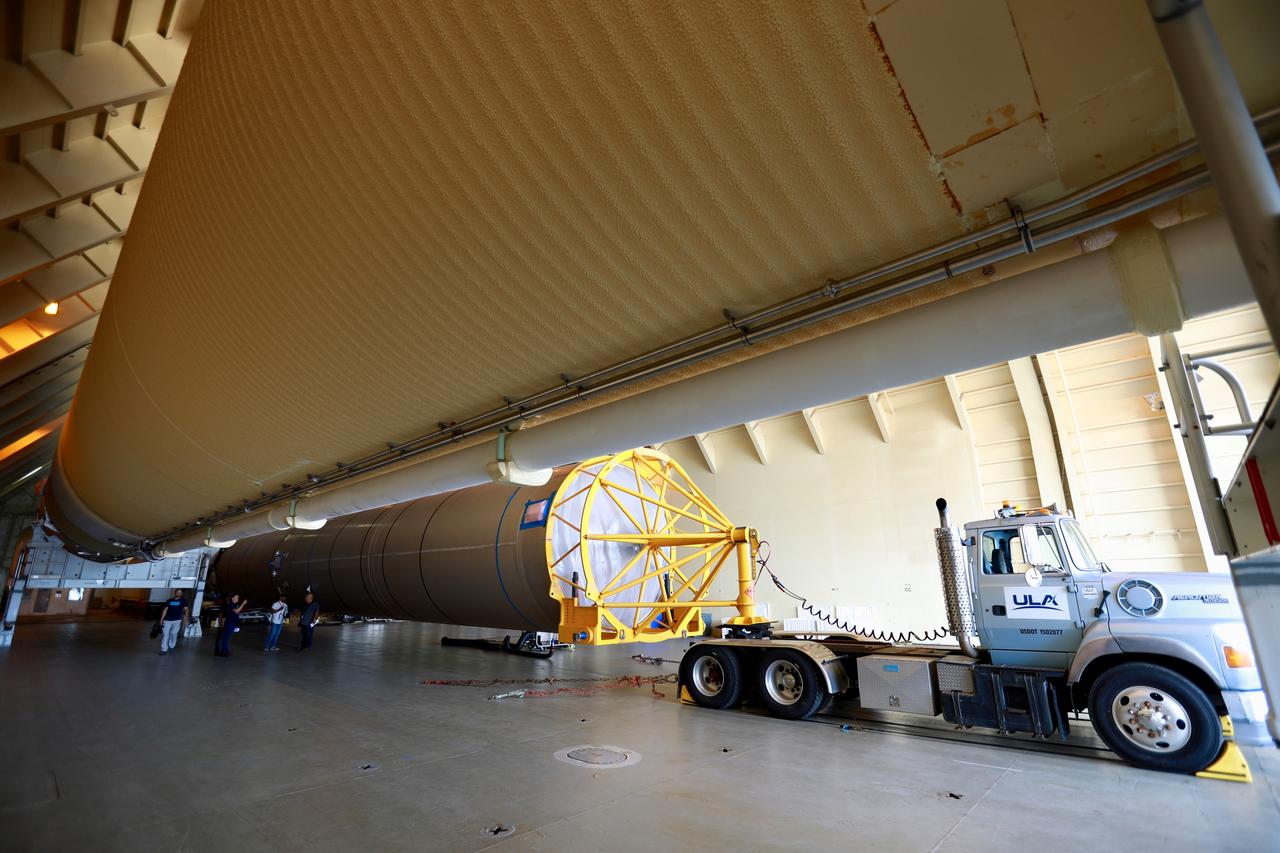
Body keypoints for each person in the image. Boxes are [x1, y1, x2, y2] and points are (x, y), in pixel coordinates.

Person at [156, 589, 189, 656]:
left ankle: (171, 646)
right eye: (177, 592)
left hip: (177, 620)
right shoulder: (169, 600)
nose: (178, 594)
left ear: (181, 594)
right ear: (175, 593)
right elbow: (165, 610)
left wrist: (186, 619)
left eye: (180, 593)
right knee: (165, 635)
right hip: (167, 620)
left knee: (173, 633)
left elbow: (186, 610)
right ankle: (164, 650)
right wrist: (161, 620)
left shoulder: (183, 601)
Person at [215, 593, 247, 657]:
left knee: (227, 638)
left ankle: (226, 651)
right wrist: (243, 604)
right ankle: (223, 652)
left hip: (232, 623)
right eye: (236, 597)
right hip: (229, 623)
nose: (238, 598)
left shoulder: (235, 605)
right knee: (225, 638)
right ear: (232, 598)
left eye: (238, 597)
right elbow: (237, 611)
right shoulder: (231, 605)